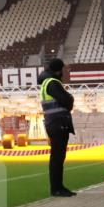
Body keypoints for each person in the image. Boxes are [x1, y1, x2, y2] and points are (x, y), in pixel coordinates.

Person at [38, 58, 75, 197]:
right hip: (58, 123)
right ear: (59, 70)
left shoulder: (47, 82)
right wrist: (70, 98)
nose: (65, 71)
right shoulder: (53, 83)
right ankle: (57, 188)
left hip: (54, 122)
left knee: (57, 157)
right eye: (64, 69)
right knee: (57, 158)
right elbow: (66, 101)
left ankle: (58, 187)